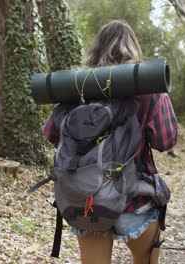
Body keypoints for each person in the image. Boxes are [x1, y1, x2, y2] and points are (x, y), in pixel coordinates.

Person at [43, 20, 178, 264]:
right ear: (134, 48)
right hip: (135, 199)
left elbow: (51, 133)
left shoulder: (76, 87)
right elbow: (165, 140)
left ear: (96, 49)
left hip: (86, 199)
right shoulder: (148, 86)